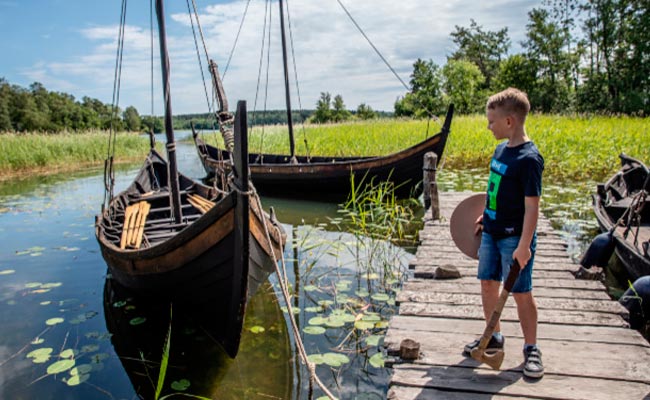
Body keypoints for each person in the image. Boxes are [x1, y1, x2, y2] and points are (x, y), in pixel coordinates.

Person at [462, 87, 545, 379]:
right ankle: (493, 337)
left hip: (514, 237)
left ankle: (532, 348)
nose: (488, 125)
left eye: (491, 120)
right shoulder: (500, 150)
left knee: (522, 292)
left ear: (509, 121)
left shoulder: (529, 159)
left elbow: (532, 208)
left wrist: (524, 245)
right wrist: (488, 213)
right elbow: (495, 188)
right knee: (487, 283)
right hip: (491, 231)